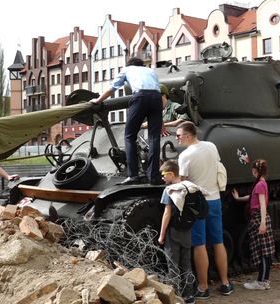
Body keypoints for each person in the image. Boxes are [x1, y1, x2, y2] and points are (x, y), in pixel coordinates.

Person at [176, 121, 234, 299]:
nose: (177, 138)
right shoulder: (211, 146)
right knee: (218, 241)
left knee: (199, 245)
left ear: (187, 135)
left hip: (197, 204)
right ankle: (225, 283)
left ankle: (203, 287)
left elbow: (182, 182)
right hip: (215, 199)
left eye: (178, 135)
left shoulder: (185, 156)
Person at [90, 57, 163, 185]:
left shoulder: (127, 69)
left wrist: (98, 100)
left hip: (140, 97)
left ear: (129, 64)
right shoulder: (151, 71)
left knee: (129, 136)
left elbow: (112, 88)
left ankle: (133, 175)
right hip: (157, 99)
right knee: (154, 138)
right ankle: (154, 176)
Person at [158, 160, 204, 304]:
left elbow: (167, 213)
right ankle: (189, 295)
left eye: (164, 175)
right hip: (187, 230)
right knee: (186, 263)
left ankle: (175, 296)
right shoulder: (189, 187)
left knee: (173, 264)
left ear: (171, 174)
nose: (163, 178)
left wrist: (161, 235)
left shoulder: (170, 190)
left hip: (173, 232)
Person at [232, 159, 274, 290]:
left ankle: (262, 282)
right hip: (258, 218)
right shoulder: (261, 183)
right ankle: (264, 280)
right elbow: (253, 197)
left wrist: (262, 223)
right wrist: (239, 198)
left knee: (263, 252)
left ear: (254, 171)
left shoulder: (260, 184)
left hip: (258, 219)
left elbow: (262, 205)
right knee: (264, 251)